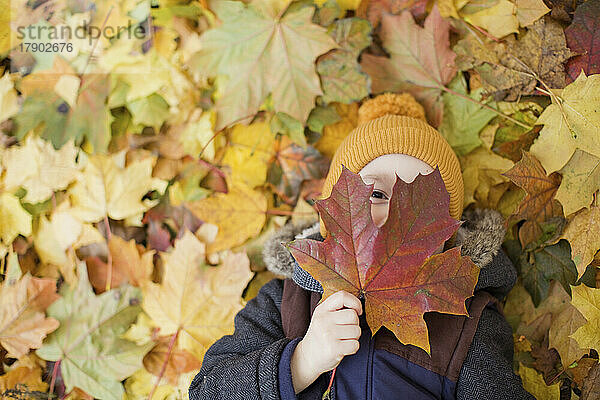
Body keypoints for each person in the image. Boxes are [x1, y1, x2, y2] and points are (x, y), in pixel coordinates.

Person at [189, 92, 534, 399]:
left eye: (417, 206)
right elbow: (207, 391)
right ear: (335, 210)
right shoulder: (284, 303)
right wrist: (302, 361)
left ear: (445, 233)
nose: (394, 216)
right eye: (377, 193)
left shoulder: (466, 322)